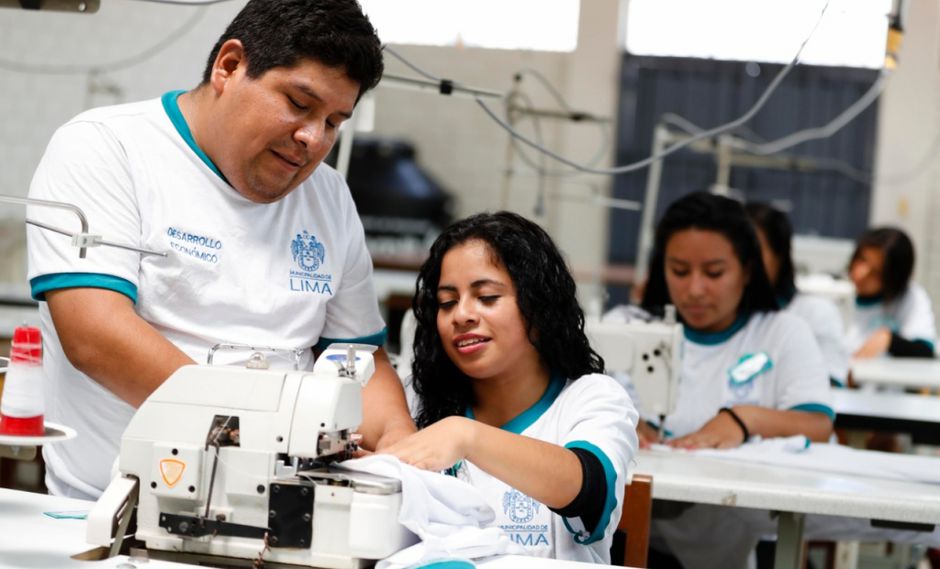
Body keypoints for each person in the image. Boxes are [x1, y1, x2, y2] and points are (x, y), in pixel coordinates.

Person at [26, 0, 415, 500]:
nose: (312, 139)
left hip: (286, 515)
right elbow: (94, 335)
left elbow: (357, 356)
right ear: (229, 66)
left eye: (335, 121)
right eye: (299, 104)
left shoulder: (329, 198)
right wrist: (268, 431)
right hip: (118, 512)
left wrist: (399, 440)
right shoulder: (106, 148)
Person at [382, 211, 638, 563]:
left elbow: (591, 490)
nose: (462, 315)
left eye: (486, 297)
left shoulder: (590, 398)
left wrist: (466, 436)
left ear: (539, 305)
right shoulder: (413, 400)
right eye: (447, 302)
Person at [634, 192, 834, 569]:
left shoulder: (782, 334)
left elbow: (818, 424)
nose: (694, 289)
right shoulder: (633, 328)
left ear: (746, 269)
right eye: (679, 271)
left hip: (745, 535)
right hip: (640, 540)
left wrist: (746, 419)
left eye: (714, 273)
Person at [745, 202, 850, 386]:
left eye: (755, 253)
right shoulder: (716, 319)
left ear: (780, 256)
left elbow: (829, 384)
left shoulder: (815, 313)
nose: (745, 264)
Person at [845, 226, 936, 359]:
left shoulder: (910, 298)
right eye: (862, 260)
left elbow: (925, 351)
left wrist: (889, 340)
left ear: (894, 278)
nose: (861, 274)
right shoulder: (836, 295)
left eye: (875, 272)